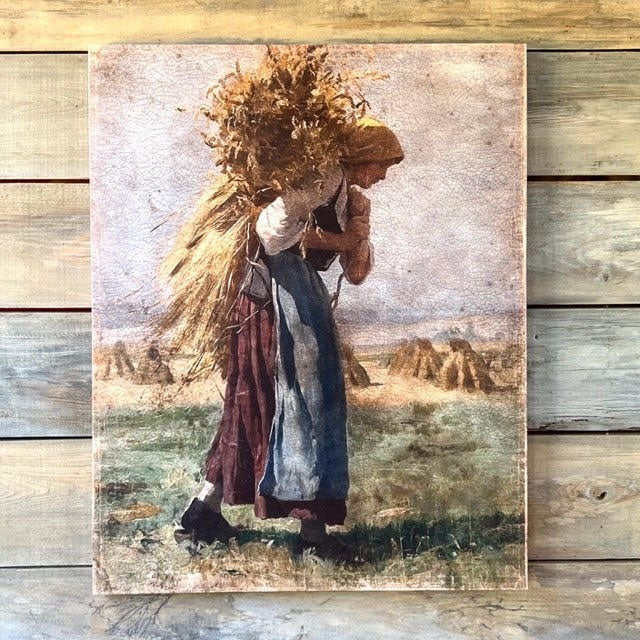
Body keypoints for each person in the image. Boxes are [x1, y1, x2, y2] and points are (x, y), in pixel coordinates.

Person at [176, 116, 404, 557]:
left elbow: (357, 273)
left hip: (297, 298)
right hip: (272, 302)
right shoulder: (322, 176)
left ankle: (202, 513)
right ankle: (312, 537)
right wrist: (342, 240)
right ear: (362, 156)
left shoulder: (345, 193)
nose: (382, 176)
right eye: (382, 165)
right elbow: (270, 232)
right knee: (300, 403)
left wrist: (359, 226)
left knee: (264, 403)